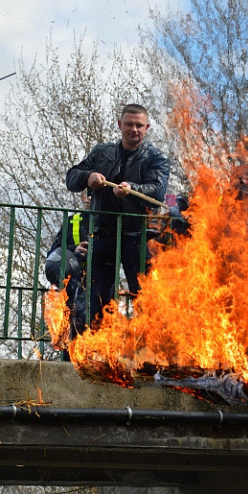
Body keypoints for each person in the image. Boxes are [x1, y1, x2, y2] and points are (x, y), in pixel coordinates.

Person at [66, 104, 170, 323]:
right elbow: (71, 177)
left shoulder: (155, 158)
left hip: (138, 236)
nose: (134, 129)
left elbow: (158, 191)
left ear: (147, 127)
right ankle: (96, 348)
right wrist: (88, 177)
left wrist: (132, 190)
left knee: (144, 297)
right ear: (120, 125)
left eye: (139, 125)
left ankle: (149, 349)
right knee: (98, 297)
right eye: (130, 124)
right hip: (103, 235)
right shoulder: (102, 152)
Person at [45, 191, 91, 350]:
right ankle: (69, 359)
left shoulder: (112, 221)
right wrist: (74, 250)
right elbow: (53, 253)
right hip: (74, 282)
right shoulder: (73, 222)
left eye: (95, 193)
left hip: (100, 281)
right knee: (71, 325)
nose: (90, 197)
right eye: (88, 193)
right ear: (82, 197)